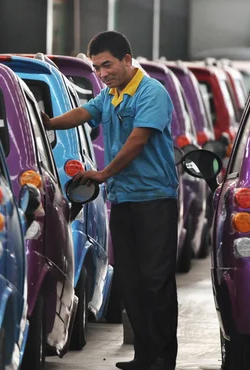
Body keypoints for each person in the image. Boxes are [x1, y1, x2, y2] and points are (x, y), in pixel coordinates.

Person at [40, 31, 179, 370]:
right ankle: (144, 355)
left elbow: (137, 141)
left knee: (156, 279)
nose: (101, 74)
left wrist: (102, 173)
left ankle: (163, 357)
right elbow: (84, 112)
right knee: (131, 280)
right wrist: (46, 122)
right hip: (125, 199)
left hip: (154, 199)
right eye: (96, 67)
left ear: (128, 61)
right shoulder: (112, 94)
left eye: (107, 65)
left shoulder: (151, 93)